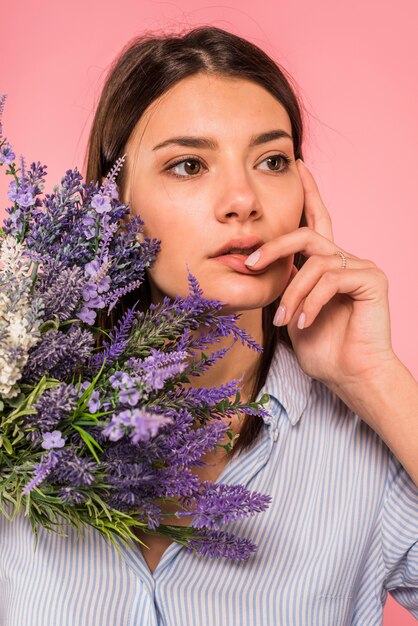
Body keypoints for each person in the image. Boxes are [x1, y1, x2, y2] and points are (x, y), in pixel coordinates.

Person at [1, 25, 417, 626]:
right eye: (189, 165)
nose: (243, 199)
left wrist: (377, 380)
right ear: (112, 205)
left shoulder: (367, 442)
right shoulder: (20, 405)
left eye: (272, 161)